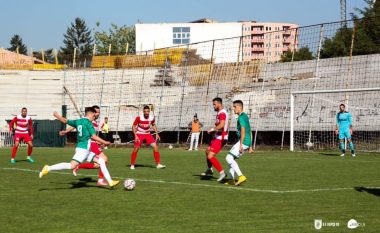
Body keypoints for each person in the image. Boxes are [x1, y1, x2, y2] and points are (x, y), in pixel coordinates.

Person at [39, 107, 119, 188]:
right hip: (83, 150)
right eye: (94, 116)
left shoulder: (78, 121)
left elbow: (65, 121)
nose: (94, 118)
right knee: (71, 166)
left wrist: (57, 116)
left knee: (102, 161)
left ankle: (110, 181)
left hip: (86, 150)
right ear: (90, 114)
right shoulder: (88, 123)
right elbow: (94, 136)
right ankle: (48, 168)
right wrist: (105, 142)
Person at [59, 105, 110, 186]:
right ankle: (100, 180)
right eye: (96, 112)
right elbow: (75, 125)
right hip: (89, 144)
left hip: (92, 143)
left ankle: (78, 166)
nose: (97, 114)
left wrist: (100, 143)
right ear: (92, 113)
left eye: (99, 112)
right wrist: (66, 131)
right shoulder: (89, 120)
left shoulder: (94, 121)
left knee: (98, 165)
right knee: (104, 159)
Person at [225, 100, 253, 186]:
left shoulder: (241, 117)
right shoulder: (245, 116)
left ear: (240, 107)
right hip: (246, 142)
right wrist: (250, 146)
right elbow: (250, 131)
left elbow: (243, 130)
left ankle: (241, 176)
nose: (233, 109)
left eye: (235, 107)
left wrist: (241, 145)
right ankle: (231, 179)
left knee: (228, 158)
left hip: (243, 141)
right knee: (231, 159)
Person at [201, 97, 228, 182]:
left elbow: (222, 124)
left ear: (219, 104)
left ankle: (222, 172)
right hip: (218, 136)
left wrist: (213, 129)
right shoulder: (220, 113)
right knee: (207, 151)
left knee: (210, 155)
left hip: (221, 137)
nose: (213, 106)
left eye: (214, 104)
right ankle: (210, 169)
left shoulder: (222, 113)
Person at [130, 105, 166, 170]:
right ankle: (132, 165)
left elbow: (153, 124)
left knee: (155, 146)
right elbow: (133, 126)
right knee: (136, 148)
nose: (146, 112)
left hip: (147, 134)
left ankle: (158, 164)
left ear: (149, 111)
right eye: (145, 111)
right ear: (143, 111)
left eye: (148, 111)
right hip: (139, 134)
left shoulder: (152, 118)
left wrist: (157, 133)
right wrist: (135, 135)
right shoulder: (139, 118)